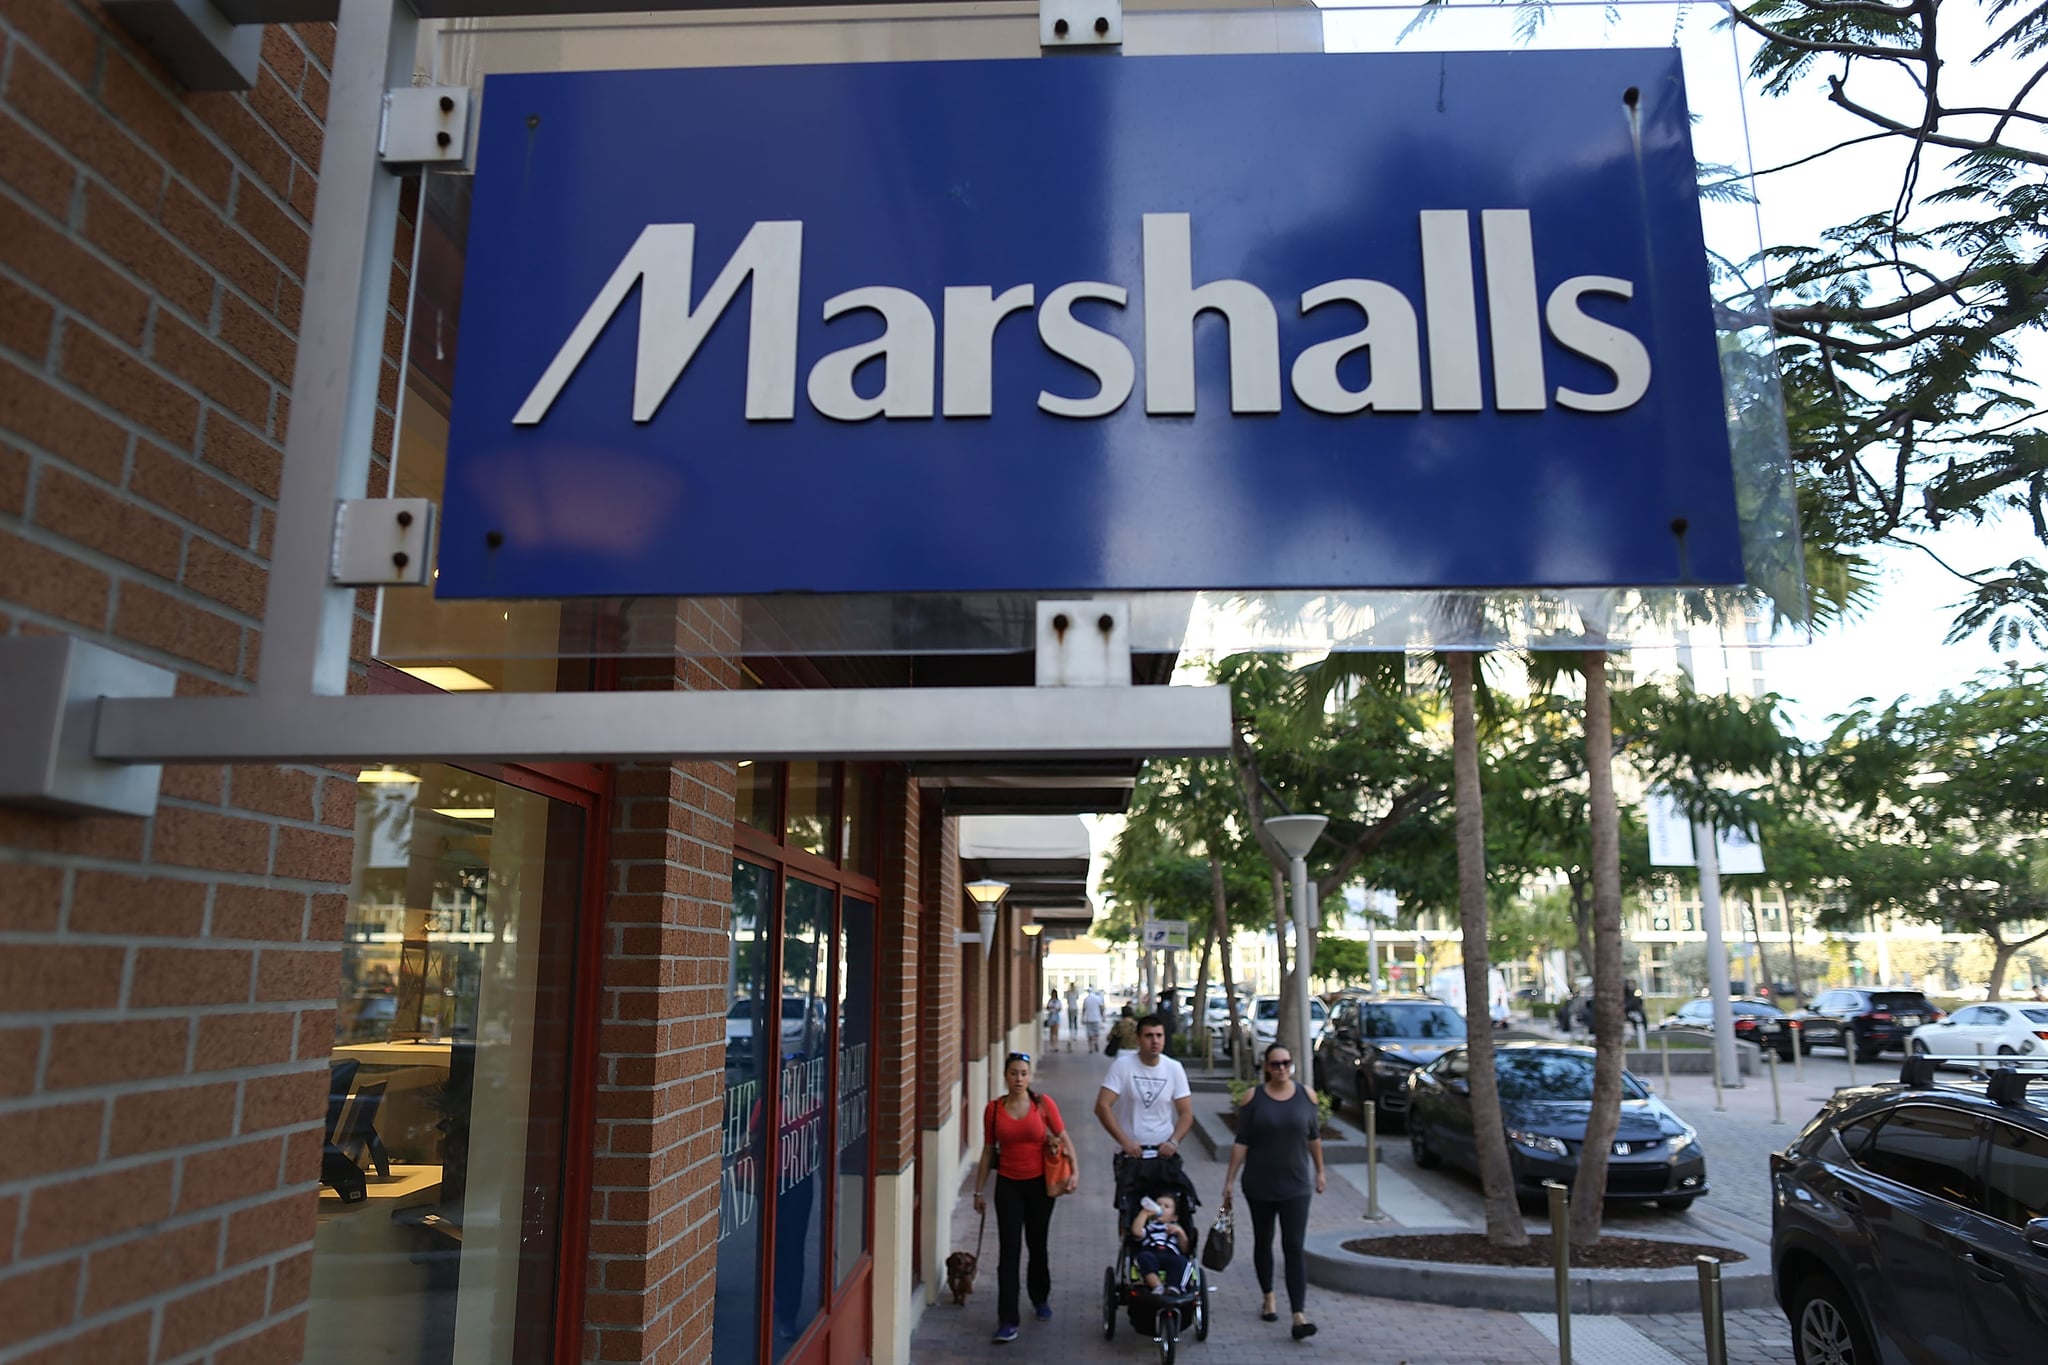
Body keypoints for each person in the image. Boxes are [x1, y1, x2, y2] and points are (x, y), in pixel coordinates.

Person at [1222, 1042, 1326, 1341]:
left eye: (1286, 1063)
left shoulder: (1307, 1096)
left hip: (1296, 1185)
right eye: (1275, 1064)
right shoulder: (1253, 1098)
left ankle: (1298, 1314)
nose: (1281, 1069)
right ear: (1266, 1067)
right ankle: (1268, 1295)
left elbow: (1314, 1138)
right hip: (1259, 1184)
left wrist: (1320, 1171)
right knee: (1263, 1241)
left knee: (1294, 1247)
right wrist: (1229, 1180)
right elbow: (1242, 1141)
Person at [972, 1051, 1076, 1344]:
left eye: (1023, 1073)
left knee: (1037, 1244)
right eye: (1013, 1073)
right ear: (1005, 1076)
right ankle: (1007, 1320)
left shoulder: (1042, 1104)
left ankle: (1040, 1296)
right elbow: (988, 1151)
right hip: (1008, 1186)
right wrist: (979, 1190)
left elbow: (1063, 1137)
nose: (1018, 1078)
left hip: (1040, 1187)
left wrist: (1075, 1172)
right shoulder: (993, 1110)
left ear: (1030, 1077)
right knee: (1009, 1252)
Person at [1094, 1015, 1193, 1159]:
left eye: (1159, 1035)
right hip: (1130, 1155)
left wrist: (1173, 1142)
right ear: (1138, 1039)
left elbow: (1186, 1113)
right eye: (1149, 1036)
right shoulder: (1122, 1066)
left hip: (1163, 1155)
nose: (1155, 1041)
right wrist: (1124, 1142)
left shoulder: (1174, 1068)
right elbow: (1102, 1106)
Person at [1130, 1192, 1192, 1298]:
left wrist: (1180, 1232)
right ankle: (1157, 1286)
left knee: (1182, 1261)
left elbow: (1185, 1249)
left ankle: (1174, 1287)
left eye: (1166, 1206)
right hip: (1151, 1252)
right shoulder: (1149, 1227)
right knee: (1143, 1258)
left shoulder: (1176, 1229)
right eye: (1158, 1205)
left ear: (1174, 1217)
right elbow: (1136, 1232)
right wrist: (1144, 1213)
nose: (1161, 1208)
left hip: (1171, 1254)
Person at [1081, 986, 1107, 1053]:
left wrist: (1082, 1018)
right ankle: (1095, 1041)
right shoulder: (1097, 998)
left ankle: (1090, 1048)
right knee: (1096, 1033)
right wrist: (1102, 1016)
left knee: (1089, 1034)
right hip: (1096, 1018)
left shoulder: (1086, 999)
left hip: (1088, 1018)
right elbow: (1101, 1008)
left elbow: (1083, 1010)